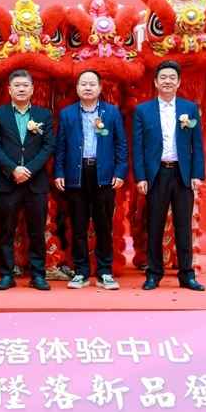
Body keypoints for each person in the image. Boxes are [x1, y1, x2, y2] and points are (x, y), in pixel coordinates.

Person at [132, 60, 206, 291]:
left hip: (182, 174)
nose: (167, 81)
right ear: (155, 82)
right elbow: (138, 147)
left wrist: (197, 174)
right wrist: (141, 177)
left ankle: (187, 275)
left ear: (179, 82)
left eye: (172, 77)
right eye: (163, 77)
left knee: (183, 226)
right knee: (154, 225)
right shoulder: (143, 110)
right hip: (156, 174)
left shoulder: (189, 109)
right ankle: (154, 274)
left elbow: (197, 144)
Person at [53, 70, 127, 290]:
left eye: (92, 84)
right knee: (78, 226)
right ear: (77, 88)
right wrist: (59, 172)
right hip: (76, 174)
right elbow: (60, 146)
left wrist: (120, 172)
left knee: (104, 225)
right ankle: (81, 272)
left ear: (100, 88)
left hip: (103, 174)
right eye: (83, 84)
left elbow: (121, 144)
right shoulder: (67, 114)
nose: (87, 87)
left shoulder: (111, 112)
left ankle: (105, 272)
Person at [0, 70, 55, 291]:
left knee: (37, 231)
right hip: (8, 181)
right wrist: (13, 169)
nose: (21, 89)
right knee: (6, 230)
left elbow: (48, 146)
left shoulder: (44, 115)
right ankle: (7, 274)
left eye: (25, 85)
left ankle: (38, 274)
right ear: (10, 90)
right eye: (17, 85)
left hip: (36, 182)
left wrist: (29, 170)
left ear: (32, 89)